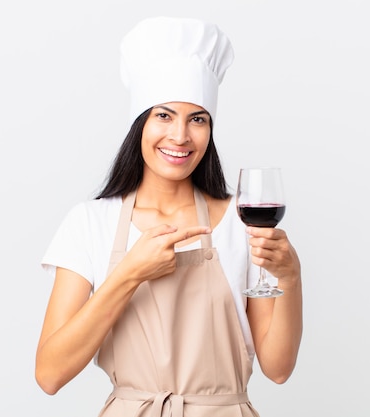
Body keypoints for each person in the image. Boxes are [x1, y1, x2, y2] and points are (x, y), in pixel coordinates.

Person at [35, 16, 303, 416]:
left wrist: (291, 276)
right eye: (164, 115)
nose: (180, 136)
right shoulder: (90, 222)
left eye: (197, 119)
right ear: (140, 123)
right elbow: (50, 374)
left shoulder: (239, 223)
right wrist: (129, 273)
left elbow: (278, 369)